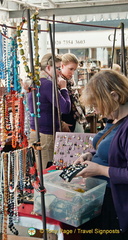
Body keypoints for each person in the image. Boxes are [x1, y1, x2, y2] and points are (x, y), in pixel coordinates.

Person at [73, 70, 128, 240]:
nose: (96, 111)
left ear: (115, 96)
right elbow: (110, 148)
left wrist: (100, 170)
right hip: (101, 197)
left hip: (116, 205)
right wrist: (91, 154)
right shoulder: (115, 119)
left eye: (97, 104)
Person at [27, 53, 71, 169]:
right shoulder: (47, 84)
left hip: (36, 131)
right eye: (57, 68)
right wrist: (63, 88)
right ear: (48, 67)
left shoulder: (35, 82)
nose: (60, 72)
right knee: (46, 170)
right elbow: (66, 108)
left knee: (41, 168)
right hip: (45, 134)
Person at [59, 53, 87, 132]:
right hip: (65, 121)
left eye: (74, 70)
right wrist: (61, 123)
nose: (72, 73)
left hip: (75, 119)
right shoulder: (58, 82)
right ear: (62, 66)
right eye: (70, 69)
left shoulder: (70, 81)